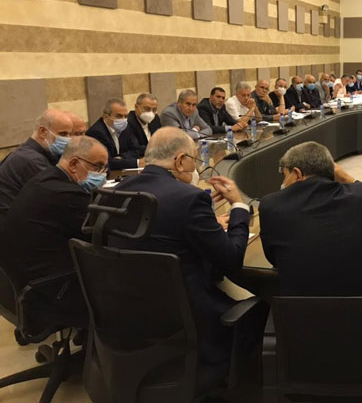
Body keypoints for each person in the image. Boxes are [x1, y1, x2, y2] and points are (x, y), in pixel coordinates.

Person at [113, 127, 250, 364]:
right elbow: (231, 260)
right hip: (188, 318)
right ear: (179, 161)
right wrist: (239, 206)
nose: (195, 167)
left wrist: (206, 222)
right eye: (194, 160)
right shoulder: (189, 198)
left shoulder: (118, 191)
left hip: (130, 313)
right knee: (259, 311)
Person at [259, 142, 362, 296]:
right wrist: (346, 177)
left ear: (298, 174)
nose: (284, 182)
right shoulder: (360, 196)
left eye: (285, 175)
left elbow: (275, 259)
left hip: (303, 309)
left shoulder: (271, 206)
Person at [0, 136, 108, 327]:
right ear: (74, 164)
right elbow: (101, 235)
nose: (102, 174)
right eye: (97, 167)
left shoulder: (43, 179)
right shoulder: (66, 194)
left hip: (24, 282)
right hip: (51, 289)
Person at [0, 109, 73, 226]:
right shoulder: (33, 160)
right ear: (43, 132)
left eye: (70, 134)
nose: (69, 140)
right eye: (63, 134)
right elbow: (58, 199)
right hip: (14, 227)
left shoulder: (31, 152)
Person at [86, 98, 143, 171]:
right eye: (119, 116)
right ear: (105, 117)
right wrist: (137, 163)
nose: (123, 120)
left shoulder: (126, 127)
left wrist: (121, 157)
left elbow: (135, 150)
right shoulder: (96, 132)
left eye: (126, 116)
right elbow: (106, 162)